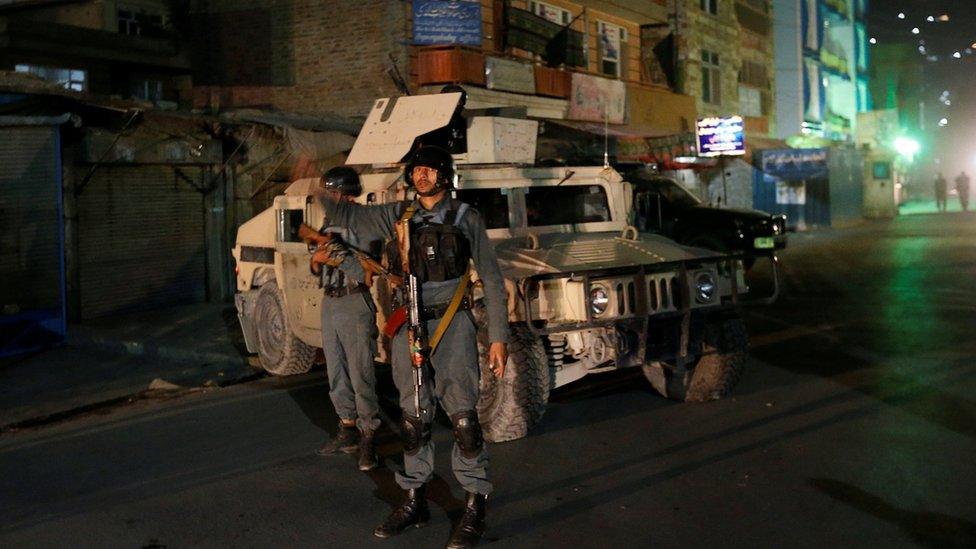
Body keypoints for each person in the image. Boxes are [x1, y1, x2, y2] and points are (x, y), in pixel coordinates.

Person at [320, 146, 508, 549]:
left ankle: (475, 504)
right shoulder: (398, 215)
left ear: (444, 175)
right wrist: (323, 192)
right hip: (410, 321)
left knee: (462, 418)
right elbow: (348, 218)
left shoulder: (465, 216)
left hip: (452, 321)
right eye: (417, 169)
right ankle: (414, 498)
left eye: (430, 169)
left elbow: (491, 278)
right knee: (412, 417)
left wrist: (498, 338)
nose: (422, 175)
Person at [312, 166, 382, 472]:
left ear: (345, 193)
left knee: (360, 372)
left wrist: (335, 257)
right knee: (336, 370)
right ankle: (348, 427)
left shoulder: (366, 223)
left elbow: (369, 271)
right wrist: (316, 259)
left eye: (332, 192)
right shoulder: (330, 222)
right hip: (330, 301)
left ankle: (369, 435)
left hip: (355, 302)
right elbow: (316, 262)